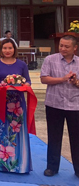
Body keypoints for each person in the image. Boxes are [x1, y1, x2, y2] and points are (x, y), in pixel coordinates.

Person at [0, 38, 32, 173]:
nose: (7, 50)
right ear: (1, 49)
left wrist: (23, 86)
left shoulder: (22, 64)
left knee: (17, 130)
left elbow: (28, 81)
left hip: (17, 102)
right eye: (5, 48)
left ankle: (19, 164)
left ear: (14, 49)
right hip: (1, 100)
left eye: (10, 48)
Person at [41, 35, 79, 178]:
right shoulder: (50, 60)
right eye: (61, 45)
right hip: (54, 104)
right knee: (54, 136)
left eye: (66, 46)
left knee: (77, 138)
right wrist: (63, 79)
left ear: (75, 48)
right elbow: (44, 79)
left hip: (75, 105)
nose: (63, 48)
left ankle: (78, 168)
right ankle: (52, 167)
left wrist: (75, 82)